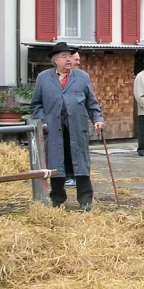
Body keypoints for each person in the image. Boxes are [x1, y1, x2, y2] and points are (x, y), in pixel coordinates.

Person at [30, 41, 105, 210]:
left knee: (80, 163)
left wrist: (98, 119)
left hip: (77, 127)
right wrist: (43, 121)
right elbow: (35, 105)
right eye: (64, 56)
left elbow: (92, 103)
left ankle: (85, 199)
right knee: (56, 162)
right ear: (55, 60)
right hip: (53, 128)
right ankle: (57, 199)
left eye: (69, 56)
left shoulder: (82, 77)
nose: (68, 60)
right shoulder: (44, 78)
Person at [65, 47, 82, 188]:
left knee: (77, 150)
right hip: (60, 122)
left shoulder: (82, 77)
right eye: (76, 59)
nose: (78, 62)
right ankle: (67, 175)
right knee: (65, 149)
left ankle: (77, 176)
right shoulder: (48, 77)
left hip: (77, 121)